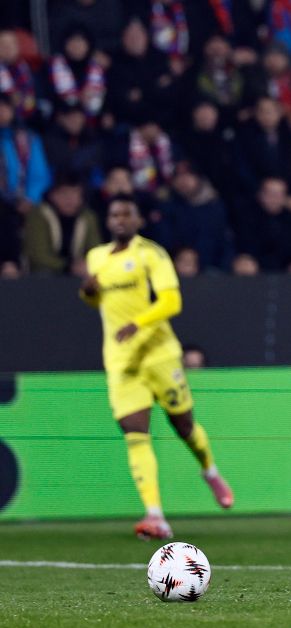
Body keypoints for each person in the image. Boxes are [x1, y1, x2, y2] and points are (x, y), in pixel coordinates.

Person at [79, 196, 234, 540]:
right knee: (135, 435)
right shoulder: (96, 257)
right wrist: (88, 293)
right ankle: (155, 515)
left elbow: (172, 301)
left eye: (127, 214)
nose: (120, 219)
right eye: (115, 214)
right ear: (108, 220)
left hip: (158, 353)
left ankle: (209, 470)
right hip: (121, 360)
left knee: (184, 426)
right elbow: (97, 301)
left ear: (138, 220)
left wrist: (138, 323)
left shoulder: (151, 254)